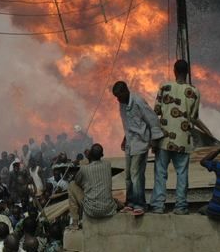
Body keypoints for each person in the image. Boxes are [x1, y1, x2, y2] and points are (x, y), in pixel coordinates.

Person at [151, 60, 210, 215]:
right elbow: (193, 117)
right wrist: (207, 130)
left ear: (174, 71)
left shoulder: (164, 87)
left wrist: (153, 138)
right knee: (182, 174)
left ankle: (158, 206)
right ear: (188, 72)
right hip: (183, 140)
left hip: (165, 139)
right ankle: (181, 207)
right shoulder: (194, 92)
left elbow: (155, 112)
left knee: (160, 173)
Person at [112, 80, 164, 216]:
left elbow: (152, 119)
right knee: (128, 175)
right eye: (116, 97)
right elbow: (129, 124)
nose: (117, 99)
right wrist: (124, 138)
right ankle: (130, 202)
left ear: (125, 91)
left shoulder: (138, 101)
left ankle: (140, 204)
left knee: (136, 174)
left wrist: (154, 140)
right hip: (130, 143)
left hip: (140, 143)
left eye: (119, 96)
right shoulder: (122, 104)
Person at [67, 143, 117, 229]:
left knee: (72, 185)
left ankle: (75, 222)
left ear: (89, 155)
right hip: (109, 209)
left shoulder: (84, 169)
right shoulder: (108, 165)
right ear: (102, 155)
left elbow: (77, 182)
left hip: (92, 210)